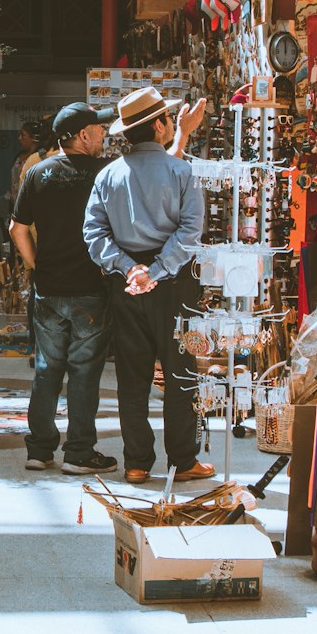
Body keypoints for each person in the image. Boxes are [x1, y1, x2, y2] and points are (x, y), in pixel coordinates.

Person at [83, 86, 211, 486]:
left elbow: (93, 233)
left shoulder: (108, 175)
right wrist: (155, 271)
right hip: (172, 283)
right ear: (158, 125)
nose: (171, 123)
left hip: (127, 285)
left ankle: (137, 462)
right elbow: (190, 232)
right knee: (180, 372)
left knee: (132, 375)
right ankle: (183, 460)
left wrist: (129, 269)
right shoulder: (181, 172)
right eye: (168, 119)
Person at [10, 103, 116, 474]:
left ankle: (39, 450)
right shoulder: (105, 174)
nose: (103, 134)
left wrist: (37, 265)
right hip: (91, 288)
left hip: (49, 289)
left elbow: (17, 228)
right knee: (85, 372)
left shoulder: (37, 173)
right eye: (98, 129)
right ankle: (79, 453)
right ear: (83, 135)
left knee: (46, 369)